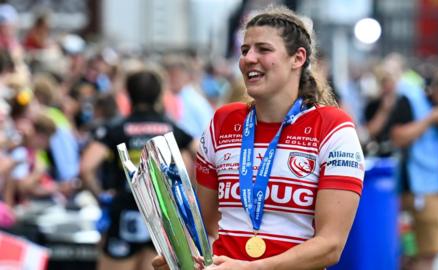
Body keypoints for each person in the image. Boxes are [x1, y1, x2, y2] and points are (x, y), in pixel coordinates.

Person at [153, 6, 365, 270]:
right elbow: (209, 223)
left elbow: (331, 245)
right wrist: (188, 261)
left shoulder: (332, 127)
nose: (248, 58)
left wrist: (253, 268)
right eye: (244, 50)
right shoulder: (222, 122)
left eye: (263, 49)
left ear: (298, 58)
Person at [79, 69, 196, 270]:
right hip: (164, 216)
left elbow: (86, 167)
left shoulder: (116, 129)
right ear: (160, 94)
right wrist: (186, 197)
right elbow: (202, 158)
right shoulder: (172, 129)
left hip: (124, 213)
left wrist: (103, 198)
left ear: (128, 94)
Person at [389, 66, 438, 270]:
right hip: (417, 192)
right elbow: (397, 137)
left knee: (429, 253)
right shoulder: (411, 100)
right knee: (416, 255)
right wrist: (431, 119)